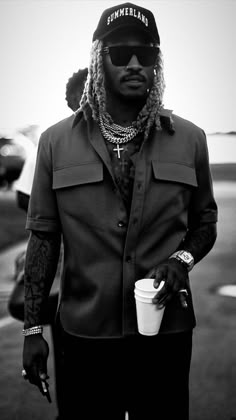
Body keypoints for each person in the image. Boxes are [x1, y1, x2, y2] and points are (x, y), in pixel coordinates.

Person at [22, 3, 218, 419]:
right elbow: (43, 237)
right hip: (84, 335)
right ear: (99, 60)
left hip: (166, 332)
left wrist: (181, 259)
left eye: (145, 55)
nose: (134, 64)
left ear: (156, 64)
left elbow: (205, 222)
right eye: (120, 53)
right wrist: (33, 329)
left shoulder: (190, 139)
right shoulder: (56, 143)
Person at [9, 69, 88, 419]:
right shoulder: (53, 141)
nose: (88, 104)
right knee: (71, 354)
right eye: (79, 98)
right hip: (62, 271)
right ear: (69, 102)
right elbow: (25, 199)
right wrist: (59, 213)